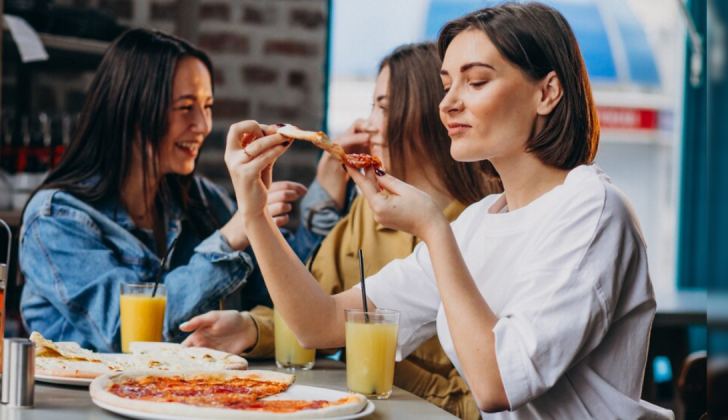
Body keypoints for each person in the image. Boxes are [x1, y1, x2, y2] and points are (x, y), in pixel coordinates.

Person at [220, 3, 674, 419]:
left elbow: (496, 383)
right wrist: (256, 214)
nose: (448, 102)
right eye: (446, 84)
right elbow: (317, 325)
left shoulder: (592, 210)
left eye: (476, 82)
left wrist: (432, 229)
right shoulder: (479, 221)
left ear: (547, 93)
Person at [179, 43, 497, 419]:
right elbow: (319, 313)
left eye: (383, 105)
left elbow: (485, 396)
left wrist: (364, 357)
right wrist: (253, 328)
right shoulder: (365, 211)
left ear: (428, 111)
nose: (368, 125)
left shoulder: (480, 226)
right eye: (371, 106)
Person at [19, 28, 322, 353]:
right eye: (185, 107)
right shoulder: (54, 220)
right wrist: (236, 230)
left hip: (192, 398)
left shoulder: (202, 199)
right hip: (82, 402)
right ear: (133, 110)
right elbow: (126, 333)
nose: (204, 125)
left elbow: (300, 305)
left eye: (207, 106)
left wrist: (324, 200)